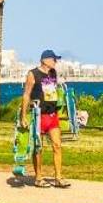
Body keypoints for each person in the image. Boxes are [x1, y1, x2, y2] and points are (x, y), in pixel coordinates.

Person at [21, 50, 70, 188]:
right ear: (45, 60)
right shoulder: (33, 74)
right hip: (38, 115)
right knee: (38, 147)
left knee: (57, 145)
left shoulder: (53, 73)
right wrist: (23, 116)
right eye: (54, 59)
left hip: (52, 115)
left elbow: (53, 93)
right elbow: (26, 94)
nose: (56, 62)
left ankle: (58, 178)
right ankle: (38, 178)